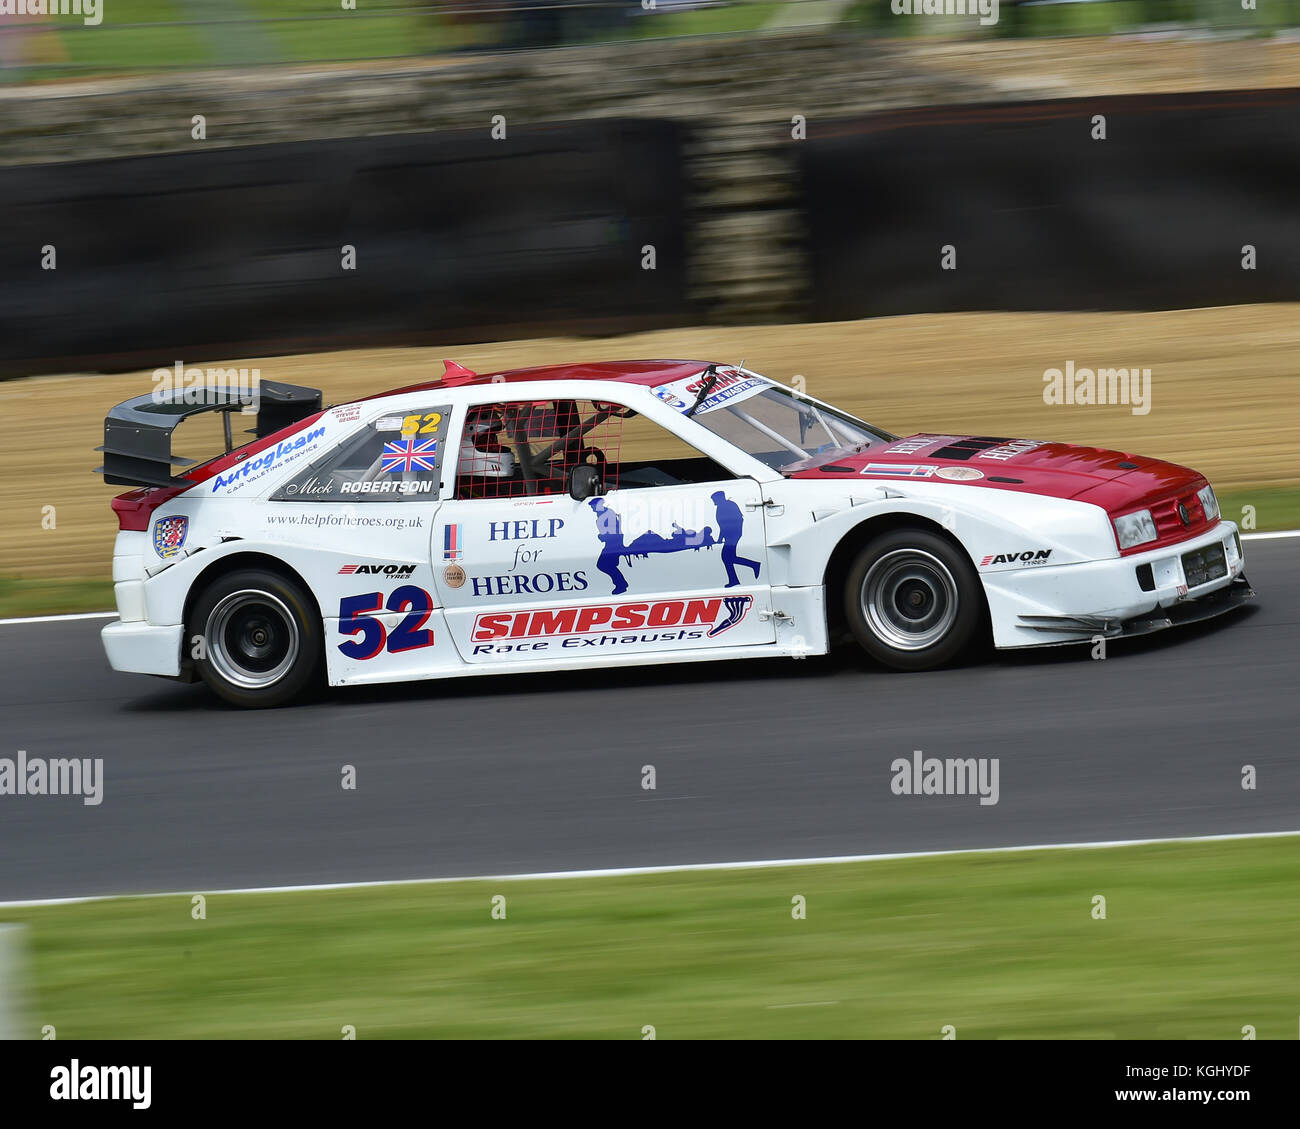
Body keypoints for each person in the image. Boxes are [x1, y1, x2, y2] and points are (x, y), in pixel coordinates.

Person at [712, 491, 761, 588]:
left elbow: (726, 524)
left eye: (714, 499)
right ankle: (735, 578)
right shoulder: (724, 506)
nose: (713, 501)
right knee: (728, 557)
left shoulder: (726, 506)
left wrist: (721, 538)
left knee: (726, 557)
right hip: (731, 534)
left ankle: (753, 565)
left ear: (719, 498)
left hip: (732, 534)